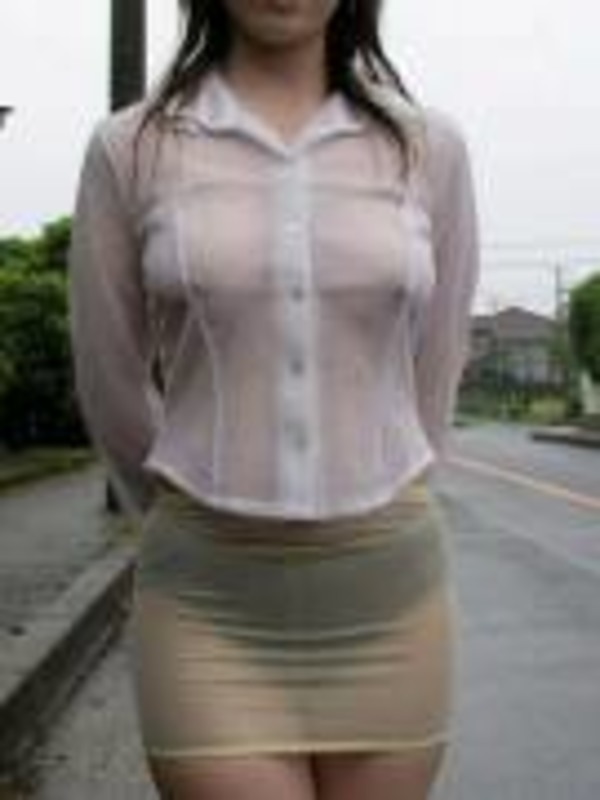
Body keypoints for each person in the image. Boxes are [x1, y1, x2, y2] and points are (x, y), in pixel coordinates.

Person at [68, 0, 480, 797]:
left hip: (389, 596)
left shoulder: (429, 148)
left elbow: (438, 363)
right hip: (208, 602)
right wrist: (186, 507)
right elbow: (108, 374)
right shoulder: (133, 147)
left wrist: (390, 487)